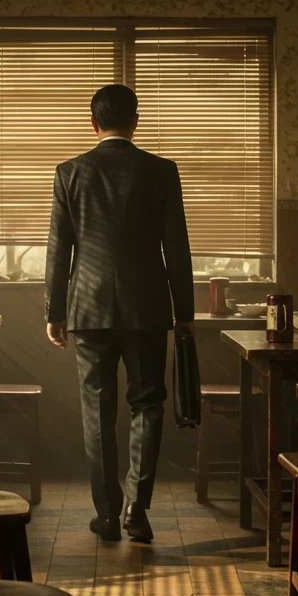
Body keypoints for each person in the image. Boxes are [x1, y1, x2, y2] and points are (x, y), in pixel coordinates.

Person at [45, 84, 195, 544]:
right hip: (148, 307)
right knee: (148, 405)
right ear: (135, 121)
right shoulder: (162, 171)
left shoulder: (69, 172)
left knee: (97, 410)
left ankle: (107, 515)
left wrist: (54, 311)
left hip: (87, 308)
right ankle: (136, 508)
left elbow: (59, 250)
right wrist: (184, 311)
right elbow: (177, 248)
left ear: (94, 124)